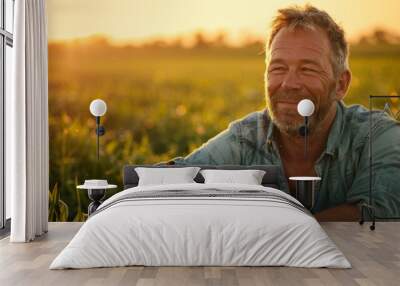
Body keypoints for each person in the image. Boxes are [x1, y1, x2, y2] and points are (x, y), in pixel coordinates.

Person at [164, 5, 400, 220]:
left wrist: (282, 235)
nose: (289, 83)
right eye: (278, 68)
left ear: (341, 84)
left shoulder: (377, 135)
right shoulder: (245, 138)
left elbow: (380, 211)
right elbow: (175, 180)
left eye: (307, 69)